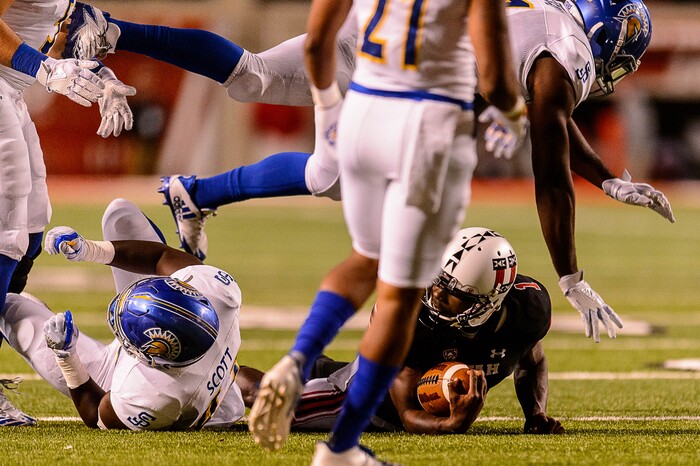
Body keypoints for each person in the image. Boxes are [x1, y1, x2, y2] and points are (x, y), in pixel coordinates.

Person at [63, 0, 674, 344]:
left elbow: (551, 115)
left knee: (253, 79)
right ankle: (201, 197)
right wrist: (570, 275)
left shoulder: (546, 28)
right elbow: (548, 154)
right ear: (604, 35)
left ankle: (114, 33)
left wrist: (607, 177)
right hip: (403, 74)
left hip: (380, 25)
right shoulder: (561, 54)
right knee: (351, 189)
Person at [249, 0, 527, 462]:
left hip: (364, 114)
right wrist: (514, 116)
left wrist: (328, 110)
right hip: (429, 126)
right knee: (400, 294)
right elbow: (496, 80)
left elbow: (317, 42)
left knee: (366, 258)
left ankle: (299, 358)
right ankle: (341, 449)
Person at [239, 227, 563, 436]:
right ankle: (217, 375)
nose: (435, 296)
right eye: (436, 283)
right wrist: (452, 424)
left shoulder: (527, 309)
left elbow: (531, 359)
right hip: (375, 401)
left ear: (489, 302)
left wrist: (536, 413)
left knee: (323, 371)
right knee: (269, 398)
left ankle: (322, 366)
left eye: (452, 294)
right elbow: (406, 413)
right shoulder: (412, 314)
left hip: (405, 373)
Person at [0, 0, 136, 426]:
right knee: (7, 233)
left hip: (12, 91)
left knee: (32, 229)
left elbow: (66, 38)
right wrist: (43, 69)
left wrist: (105, 78)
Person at [0, 198, 246, 430]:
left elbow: (96, 412)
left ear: (147, 355)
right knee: (121, 214)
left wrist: (66, 356)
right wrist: (89, 250)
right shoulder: (218, 294)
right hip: (196, 365)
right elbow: (162, 256)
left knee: (10, 307)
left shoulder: (157, 395)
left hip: (115, 379)